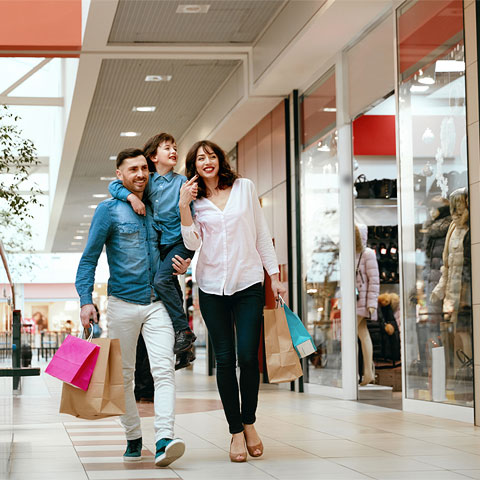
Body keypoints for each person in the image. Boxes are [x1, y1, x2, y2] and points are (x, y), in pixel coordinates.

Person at [76, 148, 190, 467]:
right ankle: (133, 436)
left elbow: (180, 241)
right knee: (124, 375)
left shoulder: (158, 205)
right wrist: (86, 300)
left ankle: (165, 437)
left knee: (164, 370)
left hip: (158, 304)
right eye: (132, 170)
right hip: (122, 302)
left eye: (144, 168)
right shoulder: (108, 211)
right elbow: (89, 259)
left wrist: (184, 264)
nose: (140, 174)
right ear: (120, 175)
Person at [179, 140, 286, 463]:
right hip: (211, 287)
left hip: (249, 282)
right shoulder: (194, 202)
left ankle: (250, 422)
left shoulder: (244, 188)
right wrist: (184, 207)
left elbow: (260, 233)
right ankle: (236, 431)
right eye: (200, 158)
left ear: (219, 160)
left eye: (211, 156)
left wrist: (275, 276)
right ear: (194, 167)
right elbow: (191, 242)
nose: (207, 162)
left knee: (248, 357)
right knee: (224, 360)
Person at [109, 133, 196, 363]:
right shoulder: (148, 181)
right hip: (161, 244)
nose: (173, 151)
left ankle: (183, 332)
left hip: (179, 242)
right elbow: (113, 186)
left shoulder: (182, 183)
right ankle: (184, 346)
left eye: (175, 147)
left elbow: (192, 220)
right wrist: (132, 198)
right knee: (170, 287)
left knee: (160, 282)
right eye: (167, 148)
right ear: (153, 157)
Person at [355, 224, 379, 386]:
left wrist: (372, 303)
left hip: (361, 302)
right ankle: (367, 372)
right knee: (362, 334)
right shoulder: (350, 253)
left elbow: (374, 279)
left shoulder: (367, 254)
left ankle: (365, 372)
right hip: (353, 301)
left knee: (352, 335)